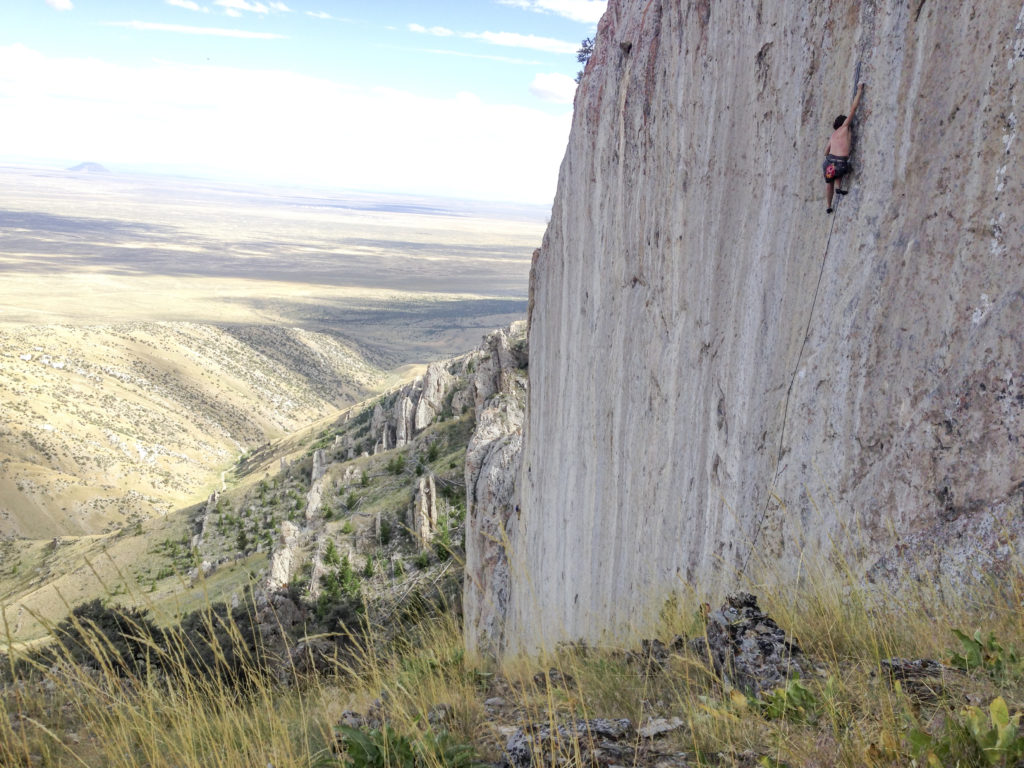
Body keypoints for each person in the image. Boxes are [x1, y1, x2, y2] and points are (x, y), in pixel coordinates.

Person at [823, 81, 865, 213]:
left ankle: (829, 206)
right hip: (840, 163)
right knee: (840, 167)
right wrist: (859, 90)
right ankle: (838, 186)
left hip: (829, 162)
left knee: (829, 181)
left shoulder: (833, 135)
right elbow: (853, 108)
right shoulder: (845, 127)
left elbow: (826, 152)